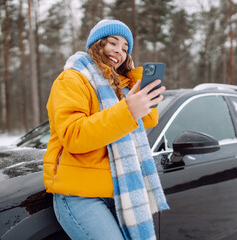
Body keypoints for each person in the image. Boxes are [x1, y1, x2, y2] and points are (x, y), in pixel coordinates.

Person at [43, 19, 169, 240]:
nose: (118, 51)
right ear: (97, 43)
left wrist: (136, 83)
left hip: (119, 192)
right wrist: (128, 111)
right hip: (80, 194)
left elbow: (148, 120)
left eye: (125, 48)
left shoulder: (119, 86)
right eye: (113, 43)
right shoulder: (72, 79)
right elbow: (74, 136)